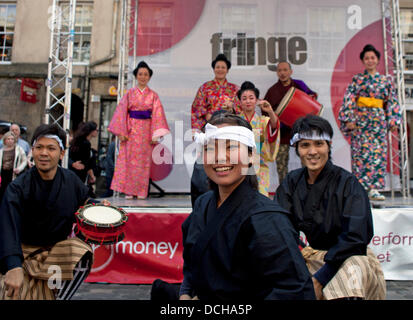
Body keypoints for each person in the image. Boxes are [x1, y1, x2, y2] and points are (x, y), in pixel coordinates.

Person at [180, 112, 315, 300]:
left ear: (252, 156)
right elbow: (192, 264)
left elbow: (293, 290)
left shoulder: (267, 218)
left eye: (231, 147)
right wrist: (186, 293)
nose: (219, 157)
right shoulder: (203, 205)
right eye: (211, 148)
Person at [275, 115, 386, 300]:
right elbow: (280, 224)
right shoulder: (291, 182)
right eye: (305, 145)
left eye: (319, 144)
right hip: (312, 256)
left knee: (353, 267)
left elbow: (356, 238)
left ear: (329, 146)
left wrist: (320, 279)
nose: (312, 151)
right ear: (297, 149)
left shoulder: (348, 183)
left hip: (348, 258)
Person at [0, 124, 109, 300]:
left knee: (82, 251)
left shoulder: (71, 181)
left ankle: (60, 297)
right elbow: (8, 227)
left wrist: (99, 206)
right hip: (24, 257)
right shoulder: (18, 187)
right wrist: (13, 265)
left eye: (51, 148)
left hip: (55, 256)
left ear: (62, 153)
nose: (44, 153)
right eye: (39, 147)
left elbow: (85, 202)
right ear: (33, 151)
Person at [338, 44, 401, 201]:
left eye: (372, 58)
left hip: (378, 122)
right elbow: (349, 99)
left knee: (377, 154)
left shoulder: (385, 81)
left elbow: (392, 101)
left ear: (378, 60)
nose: (370, 60)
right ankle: (360, 189)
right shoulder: (357, 80)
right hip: (361, 122)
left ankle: (373, 188)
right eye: (367, 58)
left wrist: (393, 120)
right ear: (363, 61)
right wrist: (349, 119)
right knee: (361, 154)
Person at [108, 61, 170, 200]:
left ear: (149, 77)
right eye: (140, 74)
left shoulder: (153, 95)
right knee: (129, 161)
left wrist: (156, 133)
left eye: (146, 74)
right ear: (136, 76)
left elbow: (158, 113)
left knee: (144, 162)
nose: (143, 77)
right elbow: (121, 111)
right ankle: (129, 191)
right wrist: (121, 132)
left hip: (147, 131)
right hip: (131, 131)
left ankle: (142, 190)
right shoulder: (129, 93)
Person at [264, 61, 317, 185]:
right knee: (281, 165)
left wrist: (310, 98)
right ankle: (285, 188)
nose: (282, 73)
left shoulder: (299, 84)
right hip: (282, 134)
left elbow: (311, 98)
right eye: (280, 70)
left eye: (285, 70)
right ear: (277, 73)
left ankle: (307, 185)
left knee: (306, 160)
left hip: (300, 131)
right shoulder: (273, 91)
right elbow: (266, 112)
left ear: (290, 71)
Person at [237, 81, 280, 197]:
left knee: (260, 198)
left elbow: (274, 127)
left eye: (251, 98)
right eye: (244, 98)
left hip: (259, 167)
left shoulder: (263, 121)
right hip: (239, 166)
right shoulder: (235, 121)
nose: (248, 101)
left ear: (256, 101)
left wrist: (270, 111)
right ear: (240, 102)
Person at [191, 53, 241, 131]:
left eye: (223, 67)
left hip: (230, 128)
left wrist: (232, 107)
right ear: (214, 69)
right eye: (217, 67)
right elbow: (196, 109)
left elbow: (242, 108)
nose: (220, 70)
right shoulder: (205, 88)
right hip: (210, 127)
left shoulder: (235, 89)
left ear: (227, 70)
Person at [69, 121, 98, 197]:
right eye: (96, 130)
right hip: (80, 172)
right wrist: (92, 175)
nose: (97, 132)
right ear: (92, 131)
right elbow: (86, 162)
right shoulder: (86, 143)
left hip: (77, 171)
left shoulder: (78, 141)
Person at [0, 132, 27, 202]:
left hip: (13, 174)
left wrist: (19, 168)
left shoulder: (19, 149)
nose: (10, 140)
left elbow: (25, 160)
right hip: (3, 174)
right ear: (5, 140)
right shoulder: (1, 151)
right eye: (8, 139)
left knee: (12, 192)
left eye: (12, 139)